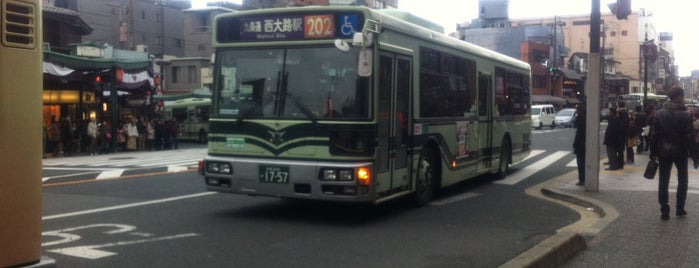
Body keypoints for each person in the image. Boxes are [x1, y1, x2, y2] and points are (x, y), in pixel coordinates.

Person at [649, 86, 699, 220]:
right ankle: (680, 208)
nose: (683, 98)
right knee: (683, 180)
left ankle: (664, 210)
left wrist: (652, 152)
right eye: (682, 96)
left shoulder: (659, 113)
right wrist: (695, 156)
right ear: (678, 97)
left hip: (663, 151)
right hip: (681, 150)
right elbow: (689, 137)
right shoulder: (686, 114)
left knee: (663, 181)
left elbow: (654, 135)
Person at [572, 104, 586, 185]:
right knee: (583, 162)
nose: (576, 111)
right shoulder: (586, 118)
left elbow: (578, 133)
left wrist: (575, 144)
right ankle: (583, 178)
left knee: (581, 163)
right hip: (584, 143)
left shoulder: (580, 119)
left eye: (577, 110)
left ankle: (582, 179)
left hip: (580, 144)